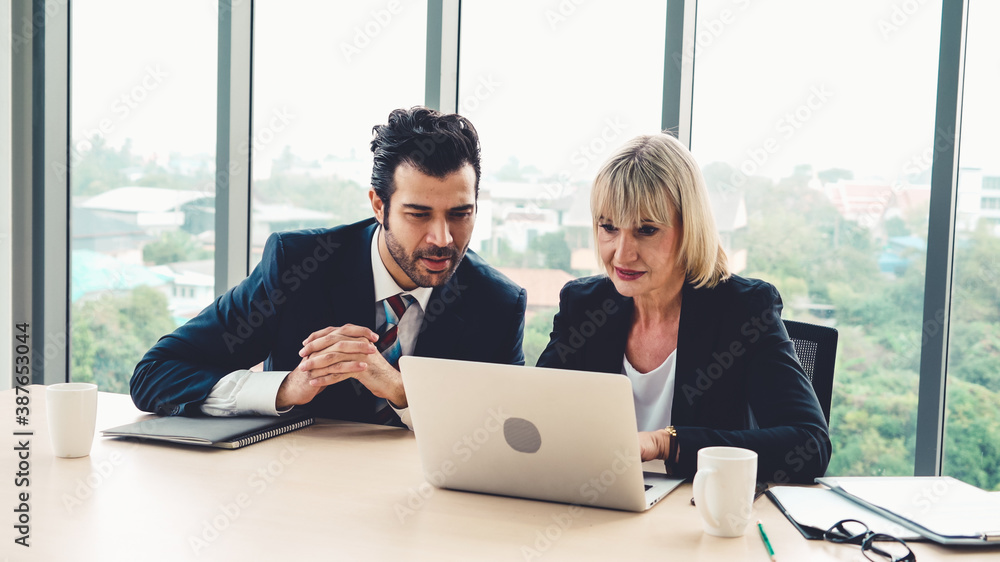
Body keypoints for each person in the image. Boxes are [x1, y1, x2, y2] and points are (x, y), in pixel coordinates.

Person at [131, 106, 527, 427]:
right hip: (296, 496)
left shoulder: (497, 303)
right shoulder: (299, 265)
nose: (442, 238)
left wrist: (402, 390)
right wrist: (286, 388)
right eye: (419, 215)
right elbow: (156, 374)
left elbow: (508, 431)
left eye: (461, 214)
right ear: (378, 206)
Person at [536, 133, 830, 483]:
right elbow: (537, 415)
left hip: (695, 517)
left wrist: (666, 444)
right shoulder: (584, 306)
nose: (622, 253)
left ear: (689, 229)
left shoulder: (744, 311)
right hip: (596, 506)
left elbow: (809, 446)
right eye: (609, 227)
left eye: (646, 230)